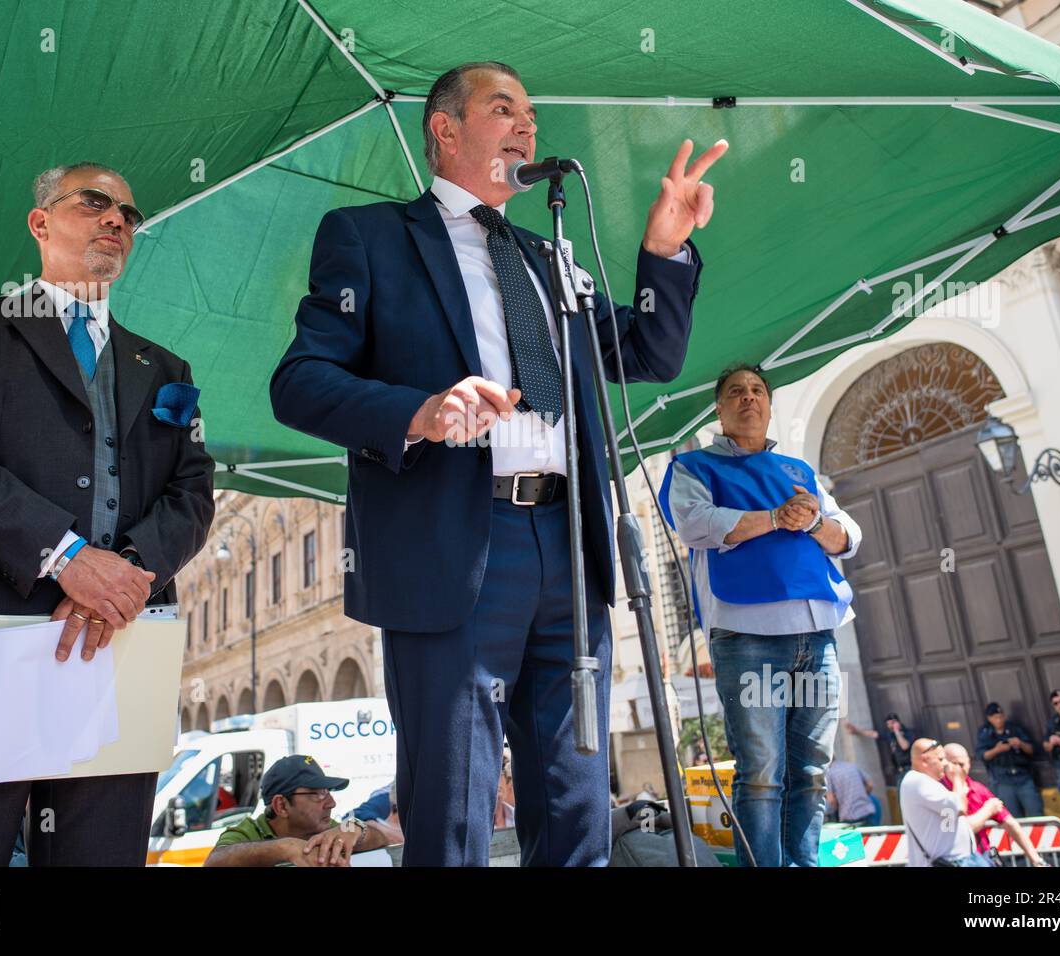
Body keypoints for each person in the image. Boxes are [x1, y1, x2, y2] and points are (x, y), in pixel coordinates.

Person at [271, 61, 722, 867]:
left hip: (571, 548)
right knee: (453, 813)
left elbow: (646, 353)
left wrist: (663, 250)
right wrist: (417, 411)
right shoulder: (371, 239)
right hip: (457, 549)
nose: (527, 127)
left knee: (576, 804)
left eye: (533, 116)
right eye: (503, 108)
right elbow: (299, 383)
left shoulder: (553, 257)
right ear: (445, 129)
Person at [0, 162, 216, 866]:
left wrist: (123, 578)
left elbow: (193, 491)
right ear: (41, 223)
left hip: (120, 641)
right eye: (95, 202)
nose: (118, 218)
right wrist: (67, 559)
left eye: (129, 211)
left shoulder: (167, 370)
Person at [660, 364, 862, 867]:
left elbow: (848, 537)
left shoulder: (801, 471)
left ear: (769, 405)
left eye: (757, 391)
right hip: (748, 635)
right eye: (736, 392)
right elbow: (695, 525)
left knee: (812, 769)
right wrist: (774, 518)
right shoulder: (694, 467)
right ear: (720, 410)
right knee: (762, 772)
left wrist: (812, 519)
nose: (749, 398)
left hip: (817, 635)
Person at [203, 755, 392, 867]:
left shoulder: (324, 829)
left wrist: (357, 830)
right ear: (281, 806)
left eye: (327, 792)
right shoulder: (248, 832)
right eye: (317, 794)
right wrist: (285, 848)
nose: (331, 803)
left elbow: (381, 839)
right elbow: (214, 861)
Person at [942, 744, 1045, 867]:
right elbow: (957, 830)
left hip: (982, 857)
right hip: (956, 860)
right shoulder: (939, 791)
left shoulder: (979, 789)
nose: (959, 769)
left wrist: (1036, 860)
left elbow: (1009, 822)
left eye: (962, 764)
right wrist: (987, 810)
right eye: (955, 764)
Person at [899, 739, 994, 867]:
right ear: (924, 760)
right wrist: (957, 779)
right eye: (940, 759)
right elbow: (960, 807)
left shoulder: (928, 783)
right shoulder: (918, 781)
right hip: (950, 861)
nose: (945, 764)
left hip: (959, 859)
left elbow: (947, 824)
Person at [976, 702, 1042, 818]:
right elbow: (982, 755)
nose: (999, 720)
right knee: (1012, 817)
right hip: (1002, 780)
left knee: (1036, 812)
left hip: (1022, 776)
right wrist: (997, 749)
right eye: (995, 717)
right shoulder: (985, 733)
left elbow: (1031, 750)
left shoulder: (1014, 728)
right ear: (989, 718)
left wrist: (1020, 743)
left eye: (1001, 716)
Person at [845, 713, 918, 781]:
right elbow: (873, 734)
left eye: (892, 723)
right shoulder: (890, 735)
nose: (890, 726)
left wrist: (897, 731)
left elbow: (904, 746)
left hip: (911, 769)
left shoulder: (908, 733)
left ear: (897, 722)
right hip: (899, 771)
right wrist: (857, 731)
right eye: (888, 724)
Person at [825, 759, 882, 826]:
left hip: (850, 818)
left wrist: (837, 807)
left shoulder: (829, 773)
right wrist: (862, 794)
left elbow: (831, 800)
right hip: (868, 811)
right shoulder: (851, 765)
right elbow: (870, 784)